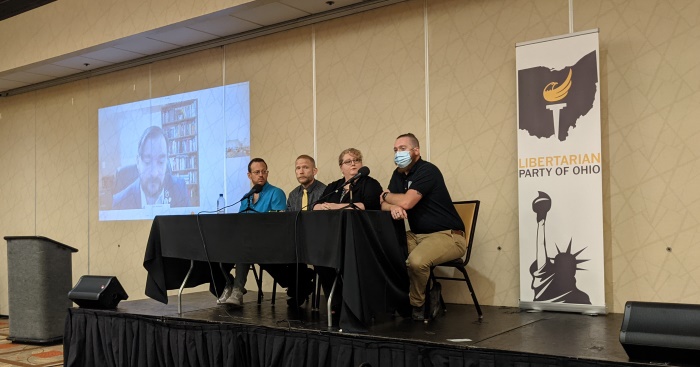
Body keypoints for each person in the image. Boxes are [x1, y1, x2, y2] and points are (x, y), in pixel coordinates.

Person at [380, 133, 466, 321]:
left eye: (402, 149)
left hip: (448, 235)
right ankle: (405, 299)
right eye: (395, 150)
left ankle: (418, 305)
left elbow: (408, 202)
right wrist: (393, 205)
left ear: (416, 151)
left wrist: (388, 197)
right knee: (387, 252)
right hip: (417, 235)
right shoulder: (399, 174)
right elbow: (382, 204)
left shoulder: (428, 171)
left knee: (416, 262)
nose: (397, 154)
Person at [314, 148, 383, 317]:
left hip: (361, 238)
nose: (353, 164)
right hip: (334, 238)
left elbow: (366, 205)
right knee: (320, 258)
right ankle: (337, 301)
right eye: (348, 161)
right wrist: (321, 207)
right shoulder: (334, 186)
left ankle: (354, 301)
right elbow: (315, 205)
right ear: (341, 167)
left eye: (357, 160)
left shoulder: (370, 183)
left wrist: (335, 207)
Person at [218, 158, 286, 306]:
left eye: (264, 171)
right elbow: (241, 222)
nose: (261, 175)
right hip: (248, 240)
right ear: (249, 175)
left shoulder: (276, 192)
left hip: (268, 242)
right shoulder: (247, 197)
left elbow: (278, 222)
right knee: (219, 245)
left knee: (244, 245)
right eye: (257, 172)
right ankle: (229, 283)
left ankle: (237, 289)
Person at [112, 126, 190, 210]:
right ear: (138, 162)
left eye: (161, 162)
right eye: (147, 162)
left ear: (166, 162)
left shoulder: (180, 189)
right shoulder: (119, 202)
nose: (154, 173)